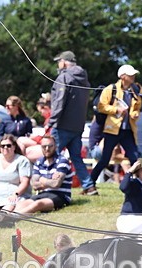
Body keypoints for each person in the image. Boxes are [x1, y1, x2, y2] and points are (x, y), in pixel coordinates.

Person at [89, 65, 142, 189]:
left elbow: (137, 108)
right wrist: (116, 110)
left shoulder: (135, 90)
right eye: (130, 75)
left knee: (135, 158)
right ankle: (89, 184)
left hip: (128, 131)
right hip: (112, 130)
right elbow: (101, 106)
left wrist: (135, 114)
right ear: (122, 76)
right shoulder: (110, 89)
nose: (133, 76)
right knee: (104, 160)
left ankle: (139, 185)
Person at [48, 51, 92, 195]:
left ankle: (51, 184)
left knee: (52, 155)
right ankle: (89, 186)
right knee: (76, 157)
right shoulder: (84, 79)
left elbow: (59, 102)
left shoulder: (64, 77)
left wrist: (51, 121)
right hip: (78, 126)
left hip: (62, 126)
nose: (58, 65)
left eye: (58, 61)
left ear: (64, 62)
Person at [13, 135, 72, 215]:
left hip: (61, 196)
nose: (47, 149)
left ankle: (12, 218)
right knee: (21, 204)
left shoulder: (62, 161)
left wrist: (41, 179)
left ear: (55, 146)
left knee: (38, 204)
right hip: (43, 194)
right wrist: (50, 180)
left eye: (50, 146)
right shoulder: (39, 162)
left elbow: (56, 184)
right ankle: (5, 218)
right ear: (41, 147)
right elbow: (34, 185)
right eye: (44, 146)